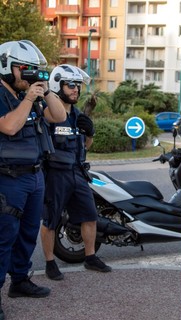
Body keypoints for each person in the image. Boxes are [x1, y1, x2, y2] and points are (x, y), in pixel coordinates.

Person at [40, 64, 126, 281]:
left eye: (77, 85)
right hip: (55, 174)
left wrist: (90, 132)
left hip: (77, 172)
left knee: (89, 215)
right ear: (57, 85)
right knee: (51, 219)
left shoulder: (78, 115)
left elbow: (85, 146)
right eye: (70, 85)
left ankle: (90, 257)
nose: (76, 89)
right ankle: (50, 262)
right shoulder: (47, 110)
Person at [0, 40, 66, 320]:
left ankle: (20, 281)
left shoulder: (30, 94)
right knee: (4, 238)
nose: (29, 75)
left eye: (34, 70)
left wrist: (45, 90)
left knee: (27, 234)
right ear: (6, 66)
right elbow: (10, 127)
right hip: (8, 178)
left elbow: (59, 116)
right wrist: (28, 98)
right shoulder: (6, 96)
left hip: (35, 175)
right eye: (24, 69)